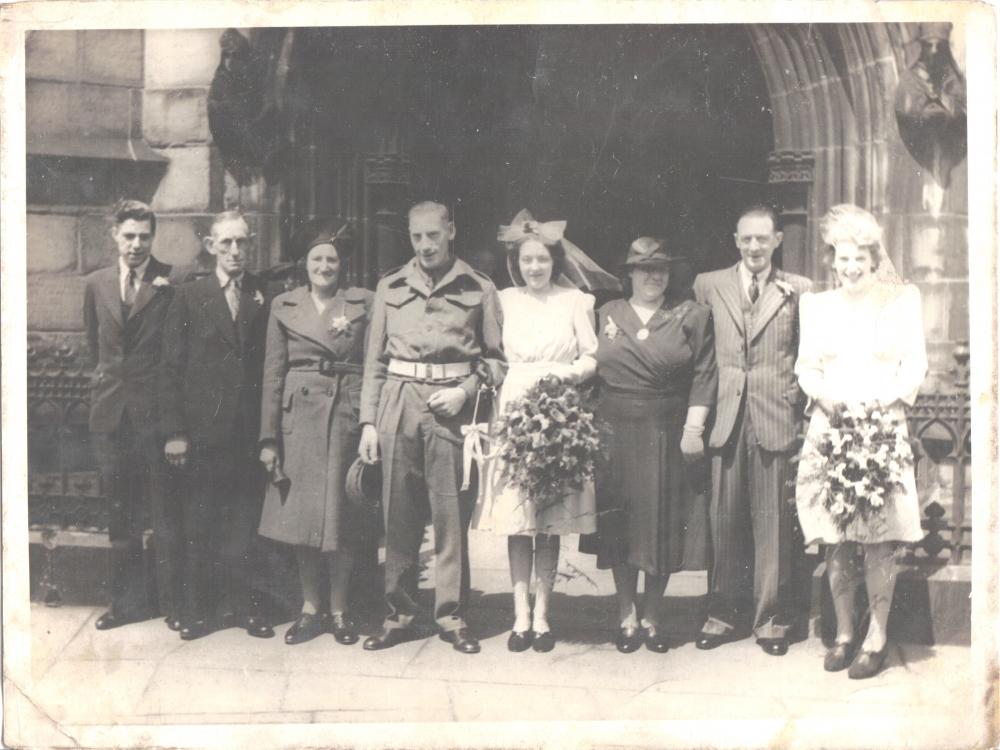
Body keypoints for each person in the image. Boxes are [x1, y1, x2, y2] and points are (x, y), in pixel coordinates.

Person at [358, 201, 506, 654]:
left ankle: (452, 616)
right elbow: (374, 362)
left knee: (449, 514)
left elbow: (498, 362)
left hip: (452, 408)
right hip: (398, 405)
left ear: (451, 233)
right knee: (397, 514)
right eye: (417, 237)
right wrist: (368, 422)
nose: (425, 245)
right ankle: (399, 613)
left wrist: (464, 392)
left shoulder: (478, 287)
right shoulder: (390, 287)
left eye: (433, 236)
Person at [795, 204, 927, 679]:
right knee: (836, 536)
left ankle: (877, 635)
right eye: (842, 258)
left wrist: (881, 405)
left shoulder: (899, 302)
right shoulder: (818, 305)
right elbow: (806, 366)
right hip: (831, 426)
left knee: (877, 538)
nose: (850, 267)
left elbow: (914, 365)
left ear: (875, 260)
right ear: (833, 259)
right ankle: (846, 632)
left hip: (880, 425)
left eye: (860, 259)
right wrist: (826, 399)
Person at [470, 210, 601, 654]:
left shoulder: (575, 301)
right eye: (527, 260)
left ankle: (543, 615)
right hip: (514, 406)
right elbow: (490, 353)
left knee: (549, 520)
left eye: (542, 260)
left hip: (559, 409)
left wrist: (566, 377)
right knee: (518, 519)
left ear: (555, 261)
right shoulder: (505, 300)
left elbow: (590, 357)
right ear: (516, 263)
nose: (535, 268)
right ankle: (519, 615)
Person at [692, 204, 812, 656]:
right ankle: (722, 614)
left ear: (777, 240)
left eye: (763, 238)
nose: (755, 246)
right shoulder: (709, 285)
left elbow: (807, 354)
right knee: (724, 522)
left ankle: (771, 620)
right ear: (736, 240)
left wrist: (796, 407)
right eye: (747, 238)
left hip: (775, 417)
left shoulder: (799, 290)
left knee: (773, 525)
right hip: (726, 418)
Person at [587, 237, 717, 653]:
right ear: (629, 274)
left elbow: (705, 374)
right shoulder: (607, 313)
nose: (652, 276)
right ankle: (626, 615)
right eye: (643, 269)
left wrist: (694, 427)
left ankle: (653, 617)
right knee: (621, 525)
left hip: (665, 427)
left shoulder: (691, 316)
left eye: (660, 268)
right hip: (614, 430)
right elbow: (588, 369)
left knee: (660, 525)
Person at [160, 210, 275, 641]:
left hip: (246, 434)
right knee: (199, 523)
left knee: (245, 525)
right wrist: (175, 432)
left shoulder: (260, 295)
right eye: (225, 243)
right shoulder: (191, 296)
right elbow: (170, 367)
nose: (234, 251)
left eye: (242, 242)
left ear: (251, 244)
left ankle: (244, 608)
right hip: (203, 434)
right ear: (210, 247)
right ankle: (195, 610)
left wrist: (267, 434)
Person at [256, 227, 372, 645]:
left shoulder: (363, 304)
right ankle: (310, 608)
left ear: (342, 267)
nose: (325, 267)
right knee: (304, 519)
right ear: (305, 265)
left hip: (344, 414)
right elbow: (272, 373)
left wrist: (368, 419)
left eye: (333, 261)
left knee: (341, 517)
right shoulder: (283, 306)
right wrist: (269, 437)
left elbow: (373, 364)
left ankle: (340, 611)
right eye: (317, 259)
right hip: (299, 420)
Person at [84, 200, 182, 631]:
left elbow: (176, 357)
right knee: (120, 516)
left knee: (164, 512)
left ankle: (169, 602)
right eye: (129, 236)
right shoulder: (97, 284)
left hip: (154, 419)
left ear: (152, 237)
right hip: (110, 417)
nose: (137, 245)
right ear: (115, 236)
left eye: (144, 236)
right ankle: (124, 604)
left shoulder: (171, 282)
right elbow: (96, 348)